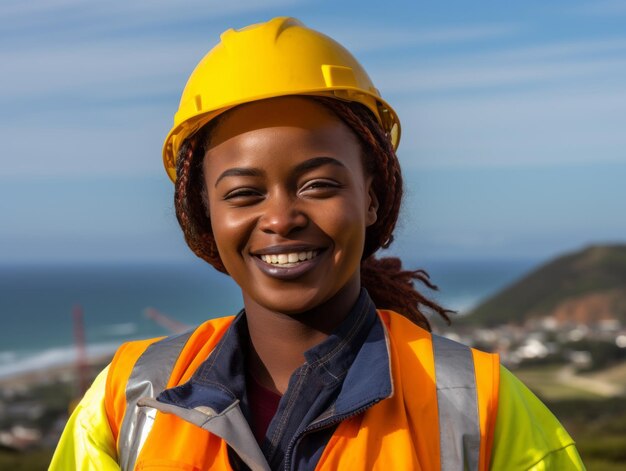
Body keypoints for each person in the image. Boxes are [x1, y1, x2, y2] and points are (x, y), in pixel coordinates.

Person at [50, 17, 585, 470]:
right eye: (244, 193)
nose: (281, 218)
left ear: (371, 198)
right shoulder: (130, 399)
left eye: (318, 185)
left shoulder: (479, 404)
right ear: (205, 216)